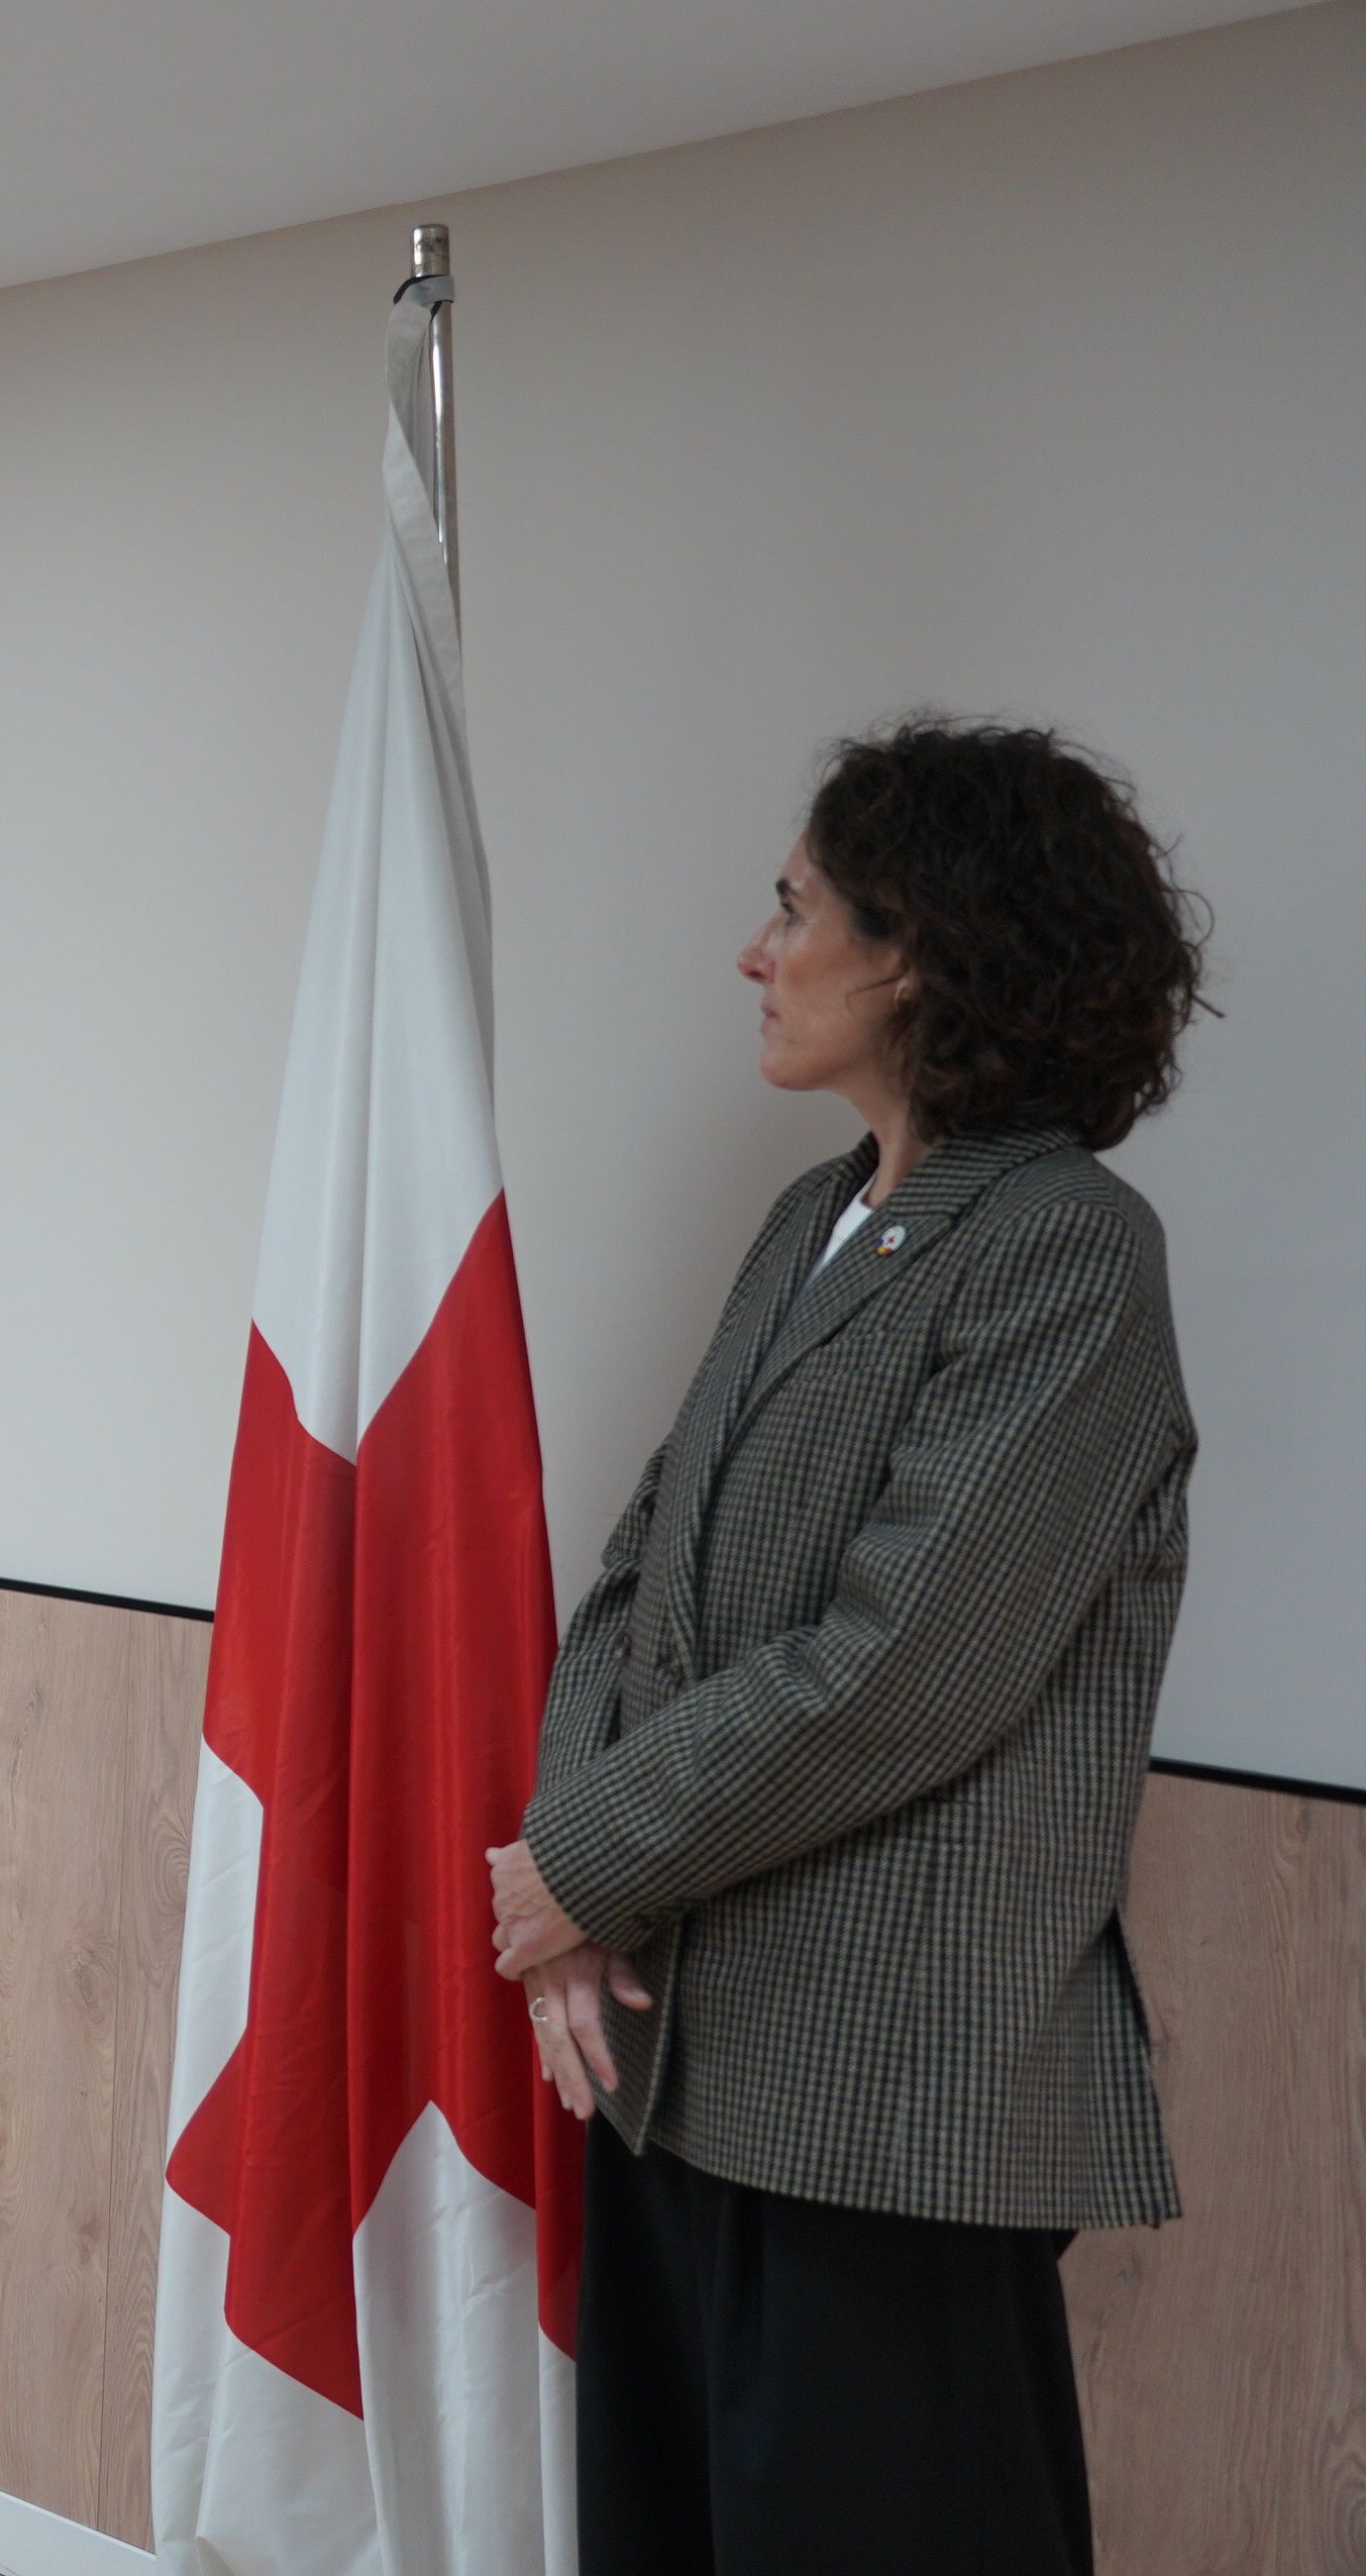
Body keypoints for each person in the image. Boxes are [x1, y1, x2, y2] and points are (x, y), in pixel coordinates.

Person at [491, 718, 1209, 2576]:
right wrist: (578, 1888)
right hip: (684, 2061)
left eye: (792, 906)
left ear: (921, 949)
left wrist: (579, 1863)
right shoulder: (814, 1216)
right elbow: (641, 1571)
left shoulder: (1067, 1250)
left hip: (891, 2093)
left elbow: (901, 1669)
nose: (757, 949)